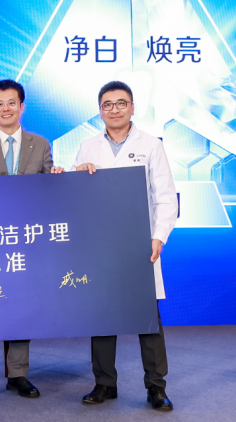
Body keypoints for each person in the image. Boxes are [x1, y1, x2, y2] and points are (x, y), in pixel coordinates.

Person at [74, 80, 178, 411]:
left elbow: (166, 196)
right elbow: (77, 198)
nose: (114, 109)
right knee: (103, 315)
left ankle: (156, 387)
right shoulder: (88, 146)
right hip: (101, 244)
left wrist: (159, 236)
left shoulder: (151, 145)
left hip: (139, 242)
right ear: (99, 110)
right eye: (107, 104)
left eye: (121, 103)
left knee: (147, 318)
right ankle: (104, 383)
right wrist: (77, 175)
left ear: (132, 107)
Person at [0, 79, 64, 402]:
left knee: (22, 304)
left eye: (11, 103)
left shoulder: (40, 144)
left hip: (26, 241)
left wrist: (56, 178)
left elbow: (48, 190)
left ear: (22, 106)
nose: (5, 109)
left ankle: (17, 373)